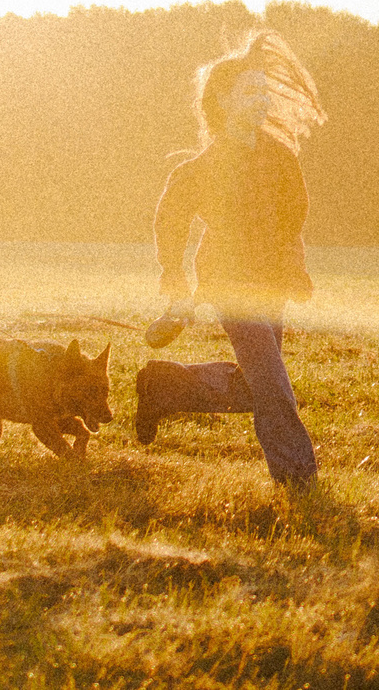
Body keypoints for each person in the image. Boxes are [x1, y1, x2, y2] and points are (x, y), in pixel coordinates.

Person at [134, 30, 323, 489]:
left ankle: (164, 386)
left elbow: (292, 217)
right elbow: (170, 222)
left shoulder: (280, 158)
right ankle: (299, 480)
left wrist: (294, 267)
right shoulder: (202, 168)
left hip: (270, 282)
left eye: (265, 91)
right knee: (274, 386)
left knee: (254, 384)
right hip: (227, 282)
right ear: (223, 98)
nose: (262, 100)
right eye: (251, 91)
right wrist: (175, 283)